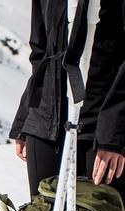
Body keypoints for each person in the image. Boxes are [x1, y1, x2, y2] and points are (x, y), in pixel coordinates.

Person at [10, 0, 125, 200]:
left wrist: (114, 135)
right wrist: (26, 119)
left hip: (100, 127)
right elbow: (40, 51)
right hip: (45, 123)